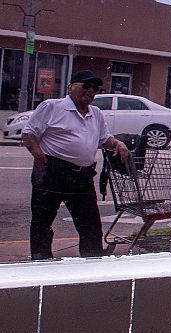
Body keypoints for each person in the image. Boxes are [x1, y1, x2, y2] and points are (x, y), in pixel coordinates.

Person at [22, 70, 129, 260]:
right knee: (42, 221)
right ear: (70, 87)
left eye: (95, 88)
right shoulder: (52, 106)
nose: (90, 91)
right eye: (86, 86)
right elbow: (29, 133)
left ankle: (92, 262)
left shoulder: (95, 113)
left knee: (90, 224)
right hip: (52, 172)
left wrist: (118, 144)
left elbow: (105, 139)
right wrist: (39, 157)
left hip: (82, 177)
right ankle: (40, 261)